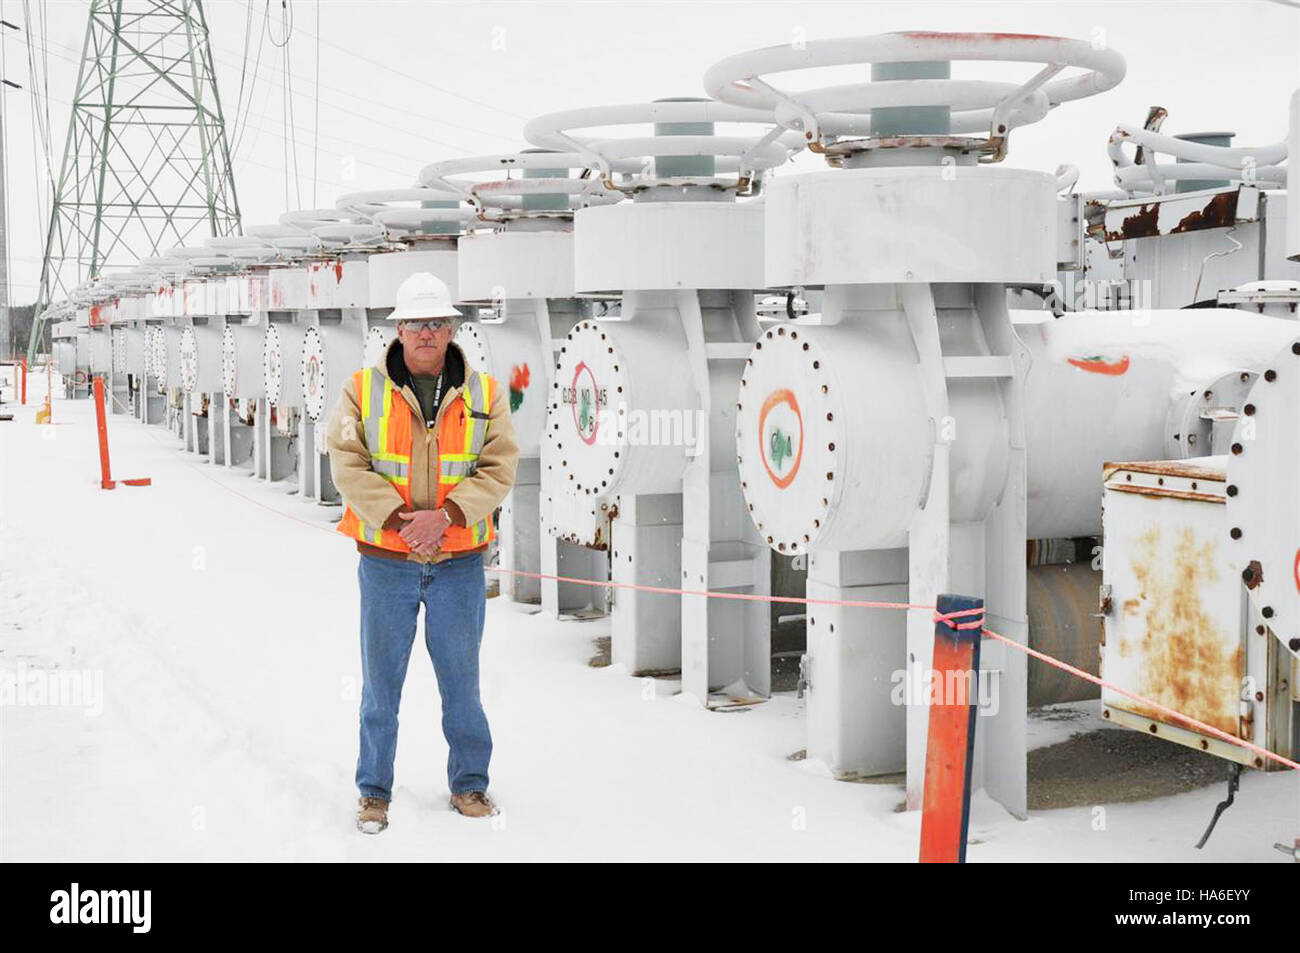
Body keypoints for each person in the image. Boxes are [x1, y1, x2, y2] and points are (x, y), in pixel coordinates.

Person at [326, 271, 519, 834]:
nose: (428, 333)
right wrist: (398, 521)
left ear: (453, 328)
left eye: (438, 323)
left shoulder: (485, 393)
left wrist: (450, 517)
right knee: (380, 685)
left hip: (458, 562)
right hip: (387, 561)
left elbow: (499, 465)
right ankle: (374, 792)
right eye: (417, 324)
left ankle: (470, 786)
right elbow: (345, 459)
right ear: (399, 330)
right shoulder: (361, 390)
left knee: (462, 683)